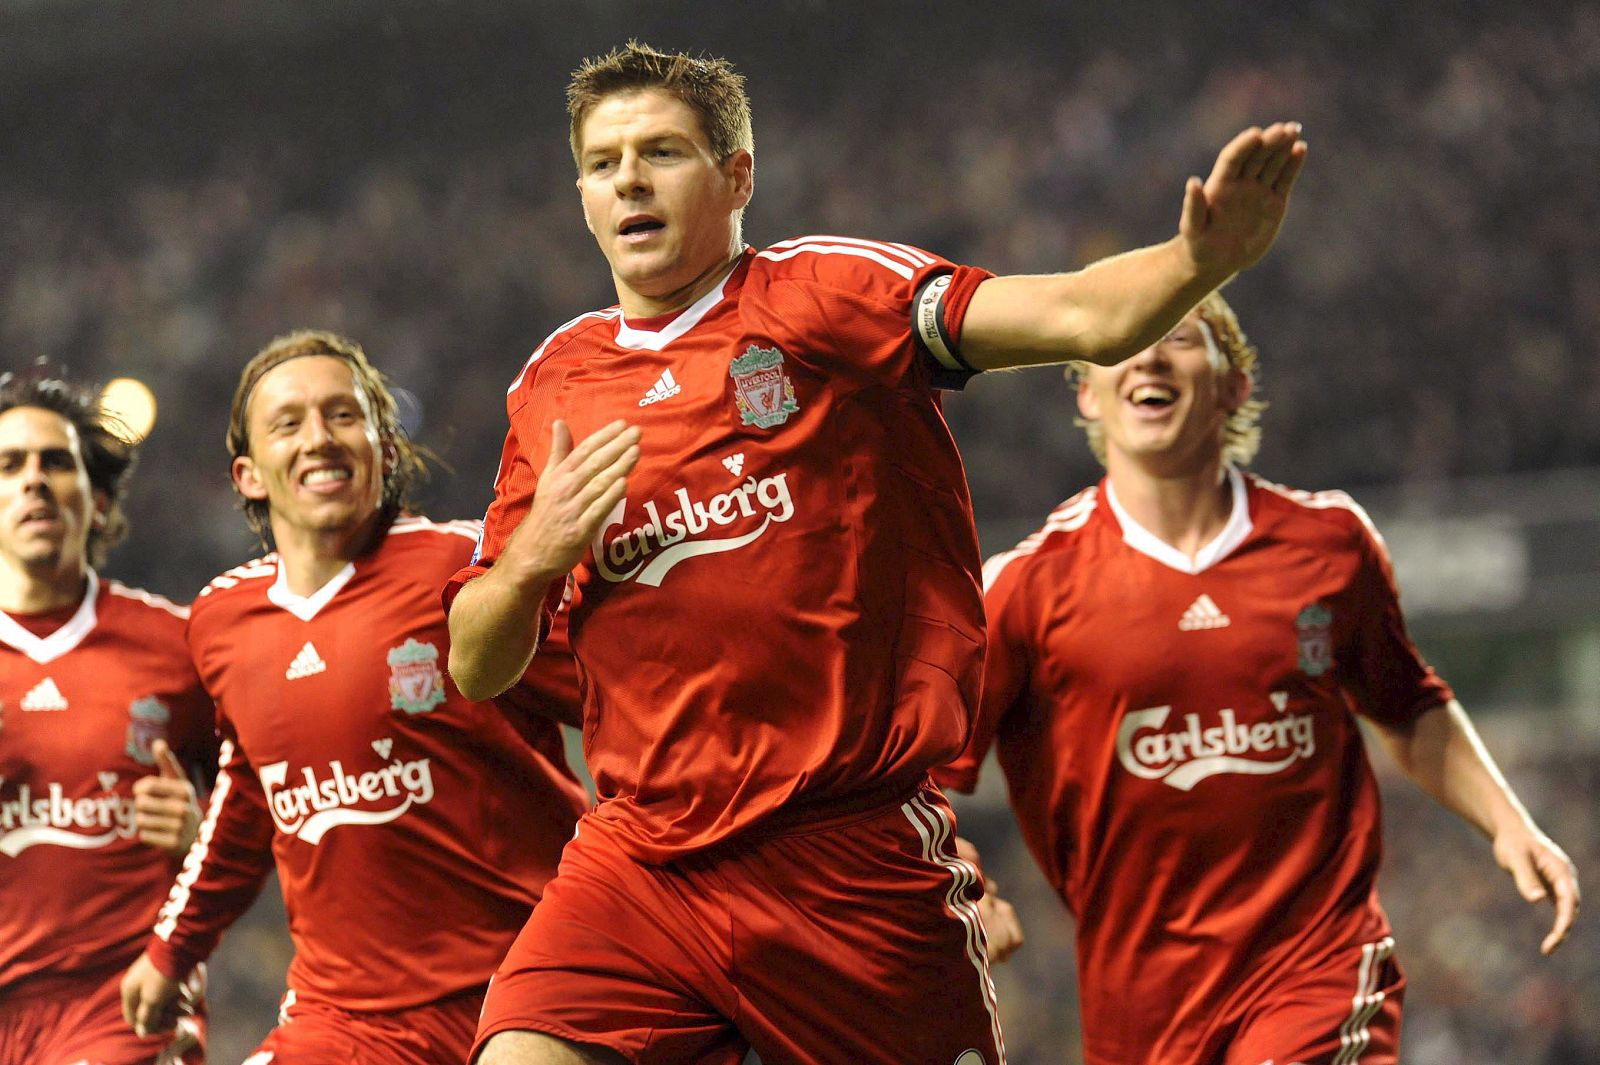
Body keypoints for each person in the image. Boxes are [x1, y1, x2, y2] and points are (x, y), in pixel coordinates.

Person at [444, 41, 1306, 1065]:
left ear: (737, 176)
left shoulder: (821, 295)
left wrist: (1198, 262)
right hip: (645, 860)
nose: (628, 179)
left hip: (849, 858)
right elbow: (474, 661)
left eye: (661, 152)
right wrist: (531, 562)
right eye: (602, 162)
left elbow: (1081, 312)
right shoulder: (556, 381)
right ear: (583, 195)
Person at [936, 292, 1583, 1064]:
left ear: (1234, 384)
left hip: (1320, 968)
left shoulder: (1329, 543)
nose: (1149, 355)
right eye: (1126, 340)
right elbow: (919, 775)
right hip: (1140, 1009)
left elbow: (1407, 706)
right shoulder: (1024, 587)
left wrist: (1510, 824)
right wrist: (965, 885)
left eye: (1179, 337)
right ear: (1087, 393)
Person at [119, 332, 590, 1064]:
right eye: (288, 423)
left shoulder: (468, 571)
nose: (318, 438)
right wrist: (171, 948)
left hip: (521, 994)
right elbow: (251, 786)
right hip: (341, 1020)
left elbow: (622, 699)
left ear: (386, 448)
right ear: (248, 474)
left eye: (342, 415)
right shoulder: (221, 619)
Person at [0, 372, 213, 1065]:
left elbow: (279, 798)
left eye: (56, 462)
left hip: (122, 1006)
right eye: (10, 465)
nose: (34, 480)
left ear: (97, 502)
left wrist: (200, 837)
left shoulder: (178, 646)